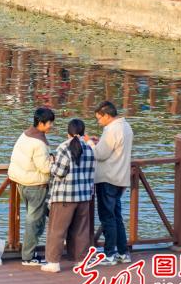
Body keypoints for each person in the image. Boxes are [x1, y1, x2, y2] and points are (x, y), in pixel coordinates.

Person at [42, 119, 95, 273]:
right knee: (81, 230)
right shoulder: (89, 148)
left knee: (57, 230)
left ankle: (53, 262)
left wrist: (52, 162)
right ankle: (80, 261)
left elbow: (59, 172)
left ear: (68, 132)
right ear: (83, 132)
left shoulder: (63, 148)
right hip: (84, 196)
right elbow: (91, 172)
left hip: (64, 197)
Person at [87, 101, 133, 266]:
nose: (99, 122)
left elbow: (100, 154)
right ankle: (123, 252)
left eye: (99, 118)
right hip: (120, 178)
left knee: (107, 217)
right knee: (116, 217)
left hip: (107, 178)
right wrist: (100, 141)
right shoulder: (126, 126)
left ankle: (109, 254)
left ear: (107, 115)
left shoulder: (112, 129)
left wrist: (90, 143)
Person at [8, 107, 54, 266]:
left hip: (22, 182)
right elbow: (46, 168)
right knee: (34, 220)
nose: (51, 126)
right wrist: (54, 160)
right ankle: (28, 257)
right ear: (41, 123)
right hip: (35, 185)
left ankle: (30, 252)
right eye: (49, 123)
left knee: (34, 218)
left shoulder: (25, 135)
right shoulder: (39, 143)